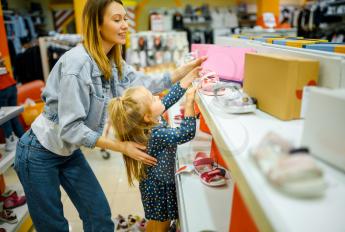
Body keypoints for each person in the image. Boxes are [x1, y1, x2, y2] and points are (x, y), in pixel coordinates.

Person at [14, 0, 206, 231]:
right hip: (39, 152)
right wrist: (122, 146)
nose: (125, 25)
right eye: (117, 19)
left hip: (69, 151)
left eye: (125, 18)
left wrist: (183, 72)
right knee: (53, 225)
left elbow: (144, 84)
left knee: (99, 215)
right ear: (97, 24)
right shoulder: (77, 65)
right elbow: (70, 128)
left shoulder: (112, 61)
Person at [108, 67, 198, 231]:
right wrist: (190, 102)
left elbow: (167, 100)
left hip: (157, 183)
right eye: (154, 99)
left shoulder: (149, 122)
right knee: (160, 224)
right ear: (147, 117)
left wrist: (187, 80)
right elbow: (186, 133)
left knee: (159, 222)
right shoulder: (155, 133)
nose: (158, 97)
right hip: (158, 188)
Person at [0, 52, 24, 153]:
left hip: (1, 89)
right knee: (14, 116)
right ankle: (24, 141)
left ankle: (11, 141)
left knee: (4, 117)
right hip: (11, 84)